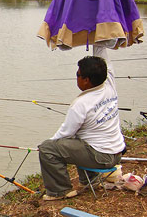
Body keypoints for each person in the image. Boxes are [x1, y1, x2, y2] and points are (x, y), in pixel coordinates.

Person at [38, 45, 125, 201]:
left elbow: (64, 134)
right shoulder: (109, 84)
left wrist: (47, 147)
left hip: (101, 158)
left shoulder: (81, 103)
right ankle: (91, 181)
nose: (76, 77)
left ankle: (60, 191)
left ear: (86, 80)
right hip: (116, 153)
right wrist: (95, 35)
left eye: (78, 75)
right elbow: (102, 53)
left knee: (48, 149)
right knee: (81, 140)